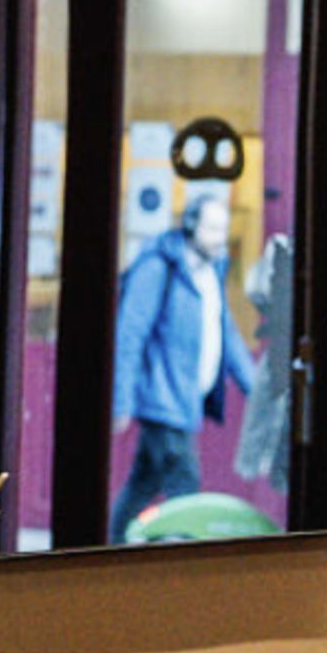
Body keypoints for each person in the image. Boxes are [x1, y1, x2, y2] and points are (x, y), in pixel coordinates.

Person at [109, 185, 259, 540]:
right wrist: (122, 401)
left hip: (185, 401)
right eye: (211, 229)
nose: (219, 238)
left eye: (223, 230)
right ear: (190, 226)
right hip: (163, 402)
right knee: (185, 486)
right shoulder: (159, 267)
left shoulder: (210, 271)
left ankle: (110, 543)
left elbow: (226, 334)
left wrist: (256, 387)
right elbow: (129, 335)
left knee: (143, 483)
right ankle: (188, 560)